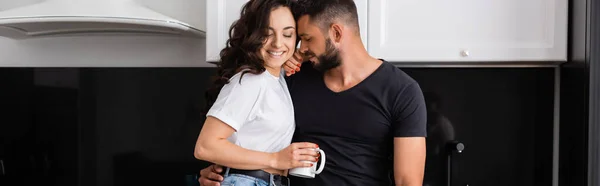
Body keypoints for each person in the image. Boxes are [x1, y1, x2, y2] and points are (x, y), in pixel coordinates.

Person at [199, 0, 428, 185]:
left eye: (306, 39)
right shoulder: (292, 77)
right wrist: (226, 173)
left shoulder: (402, 91)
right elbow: (246, 133)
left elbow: (408, 180)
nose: (302, 48)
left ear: (336, 33)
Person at [193, 1, 319, 186]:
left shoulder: (275, 78)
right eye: (267, 34)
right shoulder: (251, 82)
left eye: (287, 34)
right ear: (252, 36)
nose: (277, 43)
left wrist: (294, 55)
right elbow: (205, 147)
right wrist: (275, 159)